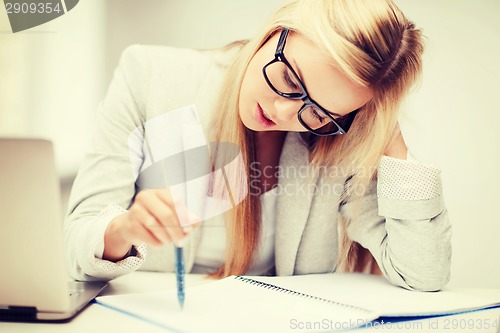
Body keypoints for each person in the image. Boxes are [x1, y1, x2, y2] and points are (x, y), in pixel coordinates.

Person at [64, 0, 451, 291]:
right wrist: (124, 230)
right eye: (289, 77)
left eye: (316, 111)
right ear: (276, 31)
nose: (284, 111)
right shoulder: (149, 75)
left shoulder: (339, 136)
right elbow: (76, 245)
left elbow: (423, 273)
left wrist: (388, 135)